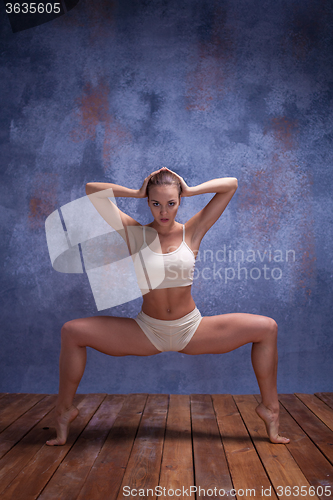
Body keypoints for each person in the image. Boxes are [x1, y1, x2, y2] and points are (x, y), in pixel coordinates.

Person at [46, 167, 289, 446]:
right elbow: (92, 190)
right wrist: (137, 191)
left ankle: (270, 409)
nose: (163, 211)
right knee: (72, 331)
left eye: (171, 203)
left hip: (192, 328)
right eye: (156, 203)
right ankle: (64, 411)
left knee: (267, 328)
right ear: (147, 202)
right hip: (147, 330)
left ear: (180, 201)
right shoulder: (134, 233)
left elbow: (230, 185)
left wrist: (191, 188)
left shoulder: (193, 230)